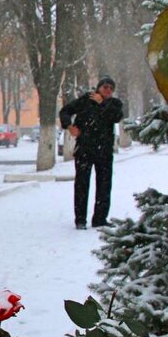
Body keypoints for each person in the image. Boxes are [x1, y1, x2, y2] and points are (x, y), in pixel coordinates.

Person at [59, 75, 124, 229]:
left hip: (105, 151)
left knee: (104, 185)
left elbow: (116, 117)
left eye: (111, 88)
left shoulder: (115, 104)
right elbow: (65, 111)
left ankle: (100, 219)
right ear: (98, 88)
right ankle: (80, 220)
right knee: (82, 185)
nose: (108, 90)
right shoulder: (85, 100)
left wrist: (103, 103)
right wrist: (69, 126)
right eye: (105, 87)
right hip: (85, 149)